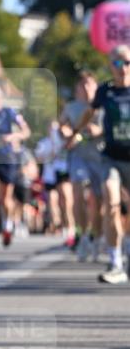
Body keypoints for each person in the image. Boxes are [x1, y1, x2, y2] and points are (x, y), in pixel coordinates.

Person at [69, 45, 130, 284]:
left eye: (127, 63)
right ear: (110, 66)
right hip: (111, 157)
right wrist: (76, 130)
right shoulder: (105, 90)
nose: (123, 68)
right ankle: (115, 262)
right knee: (110, 199)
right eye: (118, 63)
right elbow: (89, 112)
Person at [60, 71, 105, 262]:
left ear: (96, 86)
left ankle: (96, 236)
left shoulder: (103, 106)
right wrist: (67, 133)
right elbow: (62, 126)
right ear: (78, 88)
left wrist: (99, 130)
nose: (87, 88)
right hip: (79, 156)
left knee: (99, 201)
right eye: (83, 85)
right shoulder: (71, 107)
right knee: (78, 193)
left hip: (101, 157)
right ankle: (84, 236)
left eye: (90, 84)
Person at [0, 83, 31, 248]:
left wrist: (13, 136)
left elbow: (26, 132)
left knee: (5, 199)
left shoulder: (9, 113)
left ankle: (8, 226)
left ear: (1, 98)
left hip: (7, 159)